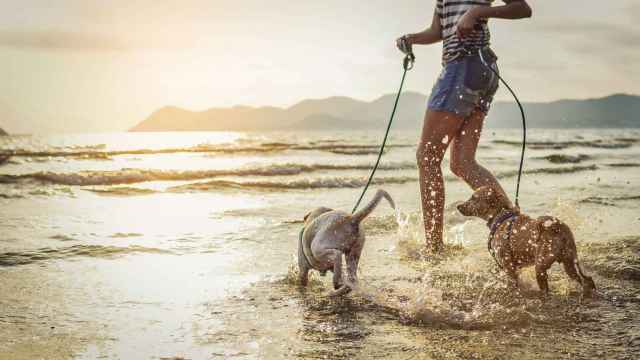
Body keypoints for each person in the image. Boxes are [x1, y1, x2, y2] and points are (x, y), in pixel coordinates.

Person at [397, 0, 532, 252]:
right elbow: (438, 31)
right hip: (481, 71)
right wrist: (411, 38)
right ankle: (514, 228)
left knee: (427, 157)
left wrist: (478, 11)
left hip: (463, 66)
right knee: (462, 163)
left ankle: (434, 246)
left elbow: (523, 9)